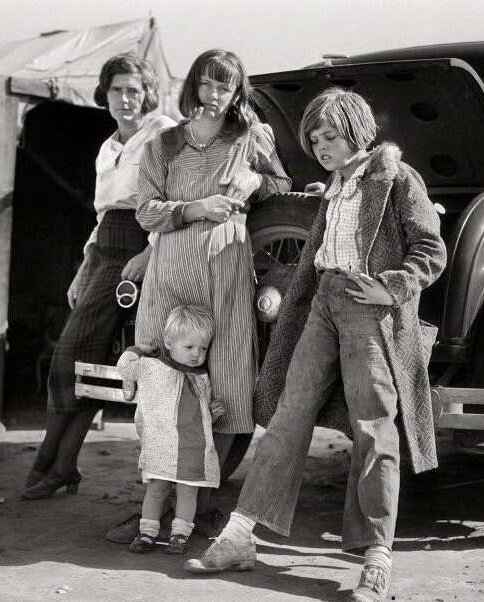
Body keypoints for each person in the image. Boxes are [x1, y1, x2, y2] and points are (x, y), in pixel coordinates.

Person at [185, 88, 447, 602]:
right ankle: (240, 536)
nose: (320, 146)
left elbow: (431, 249)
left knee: (374, 424)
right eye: (314, 139)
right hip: (322, 303)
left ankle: (377, 557)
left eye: (329, 136)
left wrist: (391, 285)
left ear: (356, 130)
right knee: (287, 414)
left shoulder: (398, 178)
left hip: (368, 306)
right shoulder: (334, 185)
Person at [116, 48, 291, 537]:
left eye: (226, 87)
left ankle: (201, 505)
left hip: (226, 268)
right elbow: (146, 212)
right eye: (207, 85)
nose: (214, 96)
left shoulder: (248, 136)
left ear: (238, 93)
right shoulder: (164, 143)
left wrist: (254, 177)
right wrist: (197, 207)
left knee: (228, 377)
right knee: (162, 377)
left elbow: (280, 182)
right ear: (192, 86)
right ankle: (154, 508)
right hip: (171, 268)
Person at [21, 53, 176, 499]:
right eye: (117, 90)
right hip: (104, 250)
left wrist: (150, 253)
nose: (125, 99)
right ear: (104, 95)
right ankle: (61, 465)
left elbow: (172, 201)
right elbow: (103, 215)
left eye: (134, 90)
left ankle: (50, 464)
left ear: (147, 93)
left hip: (138, 246)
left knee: (71, 358)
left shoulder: (162, 133)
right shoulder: (107, 148)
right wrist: (84, 268)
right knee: (84, 364)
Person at [117, 305, 225, 554]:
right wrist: (139, 349)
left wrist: (213, 414)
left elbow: (200, 419)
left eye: (203, 348)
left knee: (189, 493)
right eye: (189, 347)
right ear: (169, 341)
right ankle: (147, 533)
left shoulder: (201, 378)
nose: (197, 354)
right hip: (161, 445)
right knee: (156, 490)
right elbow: (125, 368)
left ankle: (180, 535)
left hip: (192, 449)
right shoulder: (152, 367)